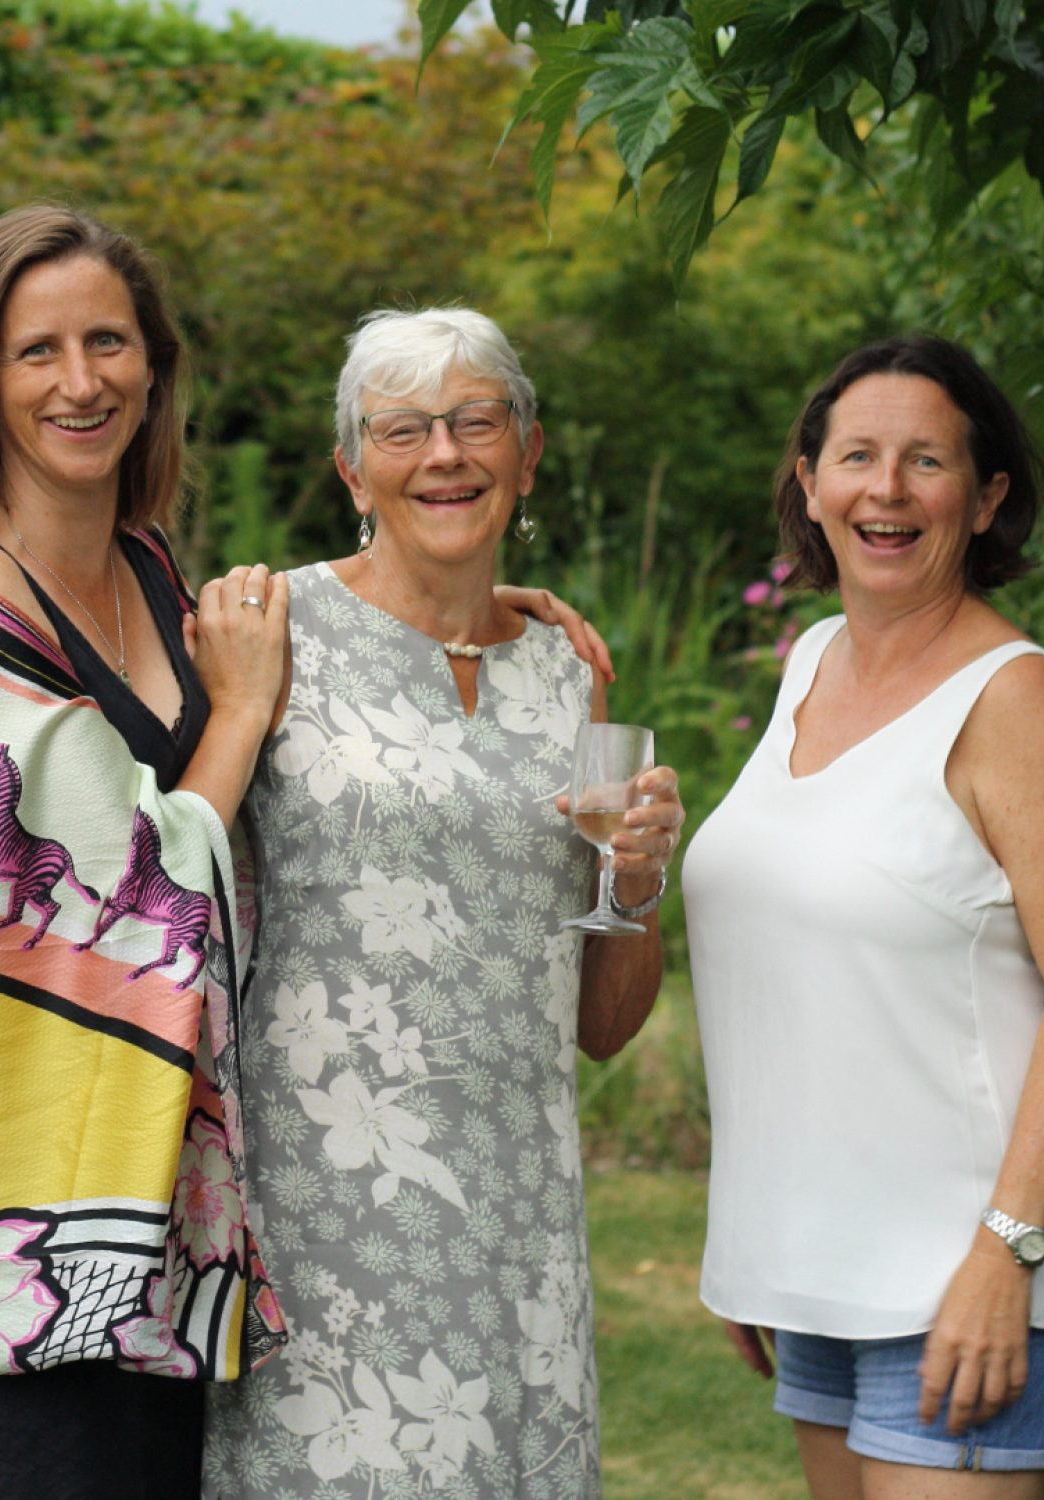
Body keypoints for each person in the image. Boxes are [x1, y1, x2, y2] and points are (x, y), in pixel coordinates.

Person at [0, 207, 617, 1499]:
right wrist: (237, 714)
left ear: (154, 365)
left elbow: (323, 644)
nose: (83, 381)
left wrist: (467, 612)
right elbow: (117, 887)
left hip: (145, 1222)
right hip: (1, 1228)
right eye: (39, 352)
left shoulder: (143, 573)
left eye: (110, 342)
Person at [202, 307, 685, 1499]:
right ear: (351, 468)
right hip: (320, 1211)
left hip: (520, 1208)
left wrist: (636, 880)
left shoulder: (567, 669)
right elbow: (178, 871)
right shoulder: (268, 630)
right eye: (404, 429)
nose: (446, 455)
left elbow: (606, 1025)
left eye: (478, 422)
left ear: (529, 454)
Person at [683, 334, 1044, 1498]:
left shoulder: (1016, 699)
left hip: (973, 1277)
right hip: (824, 1272)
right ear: (810, 482)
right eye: (858, 457)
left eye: (927, 462)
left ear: (986, 499)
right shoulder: (817, 656)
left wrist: (1006, 1256)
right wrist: (761, 1250)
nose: (886, 491)